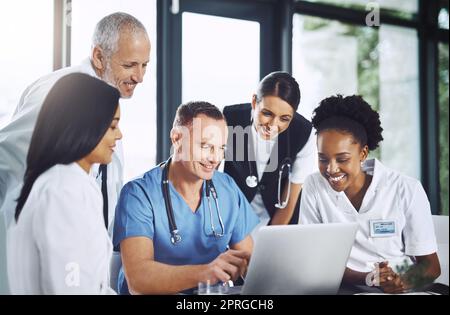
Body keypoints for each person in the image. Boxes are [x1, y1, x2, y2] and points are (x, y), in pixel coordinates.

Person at [0, 12, 151, 231]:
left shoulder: (104, 103)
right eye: (130, 65)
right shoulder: (62, 93)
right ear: (99, 57)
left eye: (144, 65)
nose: (140, 77)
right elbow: (6, 160)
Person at [113, 101, 260, 294]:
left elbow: (250, 262)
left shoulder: (227, 188)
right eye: (206, 146)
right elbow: (138, 280)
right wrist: (206, 273)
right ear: (177, 139)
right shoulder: (138, 194)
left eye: (221, 148)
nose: (215, 158)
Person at [299, 94, 441, 294]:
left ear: (363, 154)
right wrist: (370, 279)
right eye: (323, 158)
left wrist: (402, 281)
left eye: (342, 159)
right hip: (344, 288)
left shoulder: (405, 189)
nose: (331, 169)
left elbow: (431, 266)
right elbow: (316, 260)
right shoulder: (314, 186)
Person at [7, 73, 122, 294]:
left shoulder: (65, 182)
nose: (120, 135)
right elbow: (70, 287)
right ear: (86, 126)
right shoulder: (64, 189)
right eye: (113, 126)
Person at [223, 71, 317, 231]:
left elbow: (290, 199)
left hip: (279, 219)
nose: (273, 125)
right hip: (233, 216)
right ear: (254, 102)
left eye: (284, 118)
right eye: (267, 113)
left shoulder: (305, 133)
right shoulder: (228, 119)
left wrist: (270, 238)